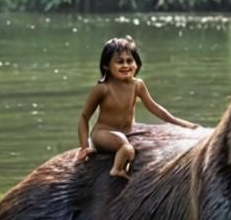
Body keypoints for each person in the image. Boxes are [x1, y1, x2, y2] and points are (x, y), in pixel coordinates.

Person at [76, 36, 198, 178]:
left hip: (128, 131)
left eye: (129, 61)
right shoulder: (103, 89)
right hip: (103, 133)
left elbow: (154, 108)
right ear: (106, 66)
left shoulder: (137, 85)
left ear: (136, 64)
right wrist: (85, 147)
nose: (125, 65)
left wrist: (180, 123)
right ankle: (116, 170)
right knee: (127, 149)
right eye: (119, 62)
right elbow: (84, 117)